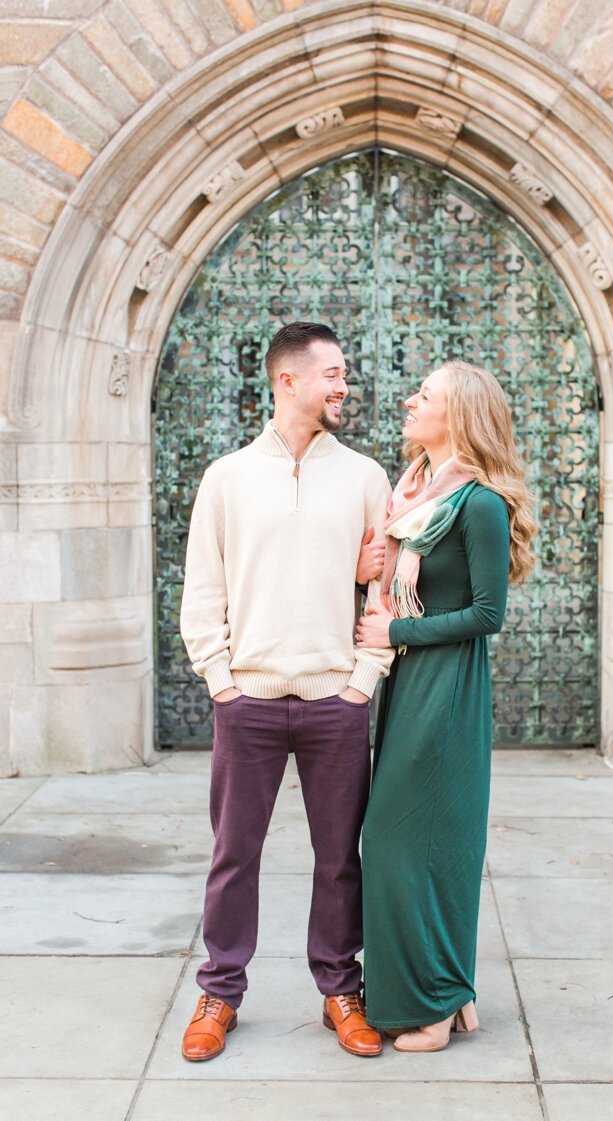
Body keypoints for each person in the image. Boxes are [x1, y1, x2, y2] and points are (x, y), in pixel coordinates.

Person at [178, 321, 394, 1061]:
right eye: (332, 373)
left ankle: (340, 987)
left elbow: (387, 592)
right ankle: (220, 990)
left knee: (340, 857)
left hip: (336, 701)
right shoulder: (227, 477)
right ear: (288, 380)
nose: (344, 385)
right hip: (251, 704)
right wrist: (223, 681)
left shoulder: (365, 475)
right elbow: (202, 590)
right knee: (234, 852)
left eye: (344, 372)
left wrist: (362, 682)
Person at [353, 359, 536, 1053]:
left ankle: (435, 1001)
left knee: (423, 841)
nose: (409, 401)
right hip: (406, 682)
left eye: (424, 395)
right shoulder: (413, 493)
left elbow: (488, 613)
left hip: (446, 685)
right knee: (401, 840)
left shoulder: (479, 504)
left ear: (457, 414)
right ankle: (429, 991)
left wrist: (397, 630)